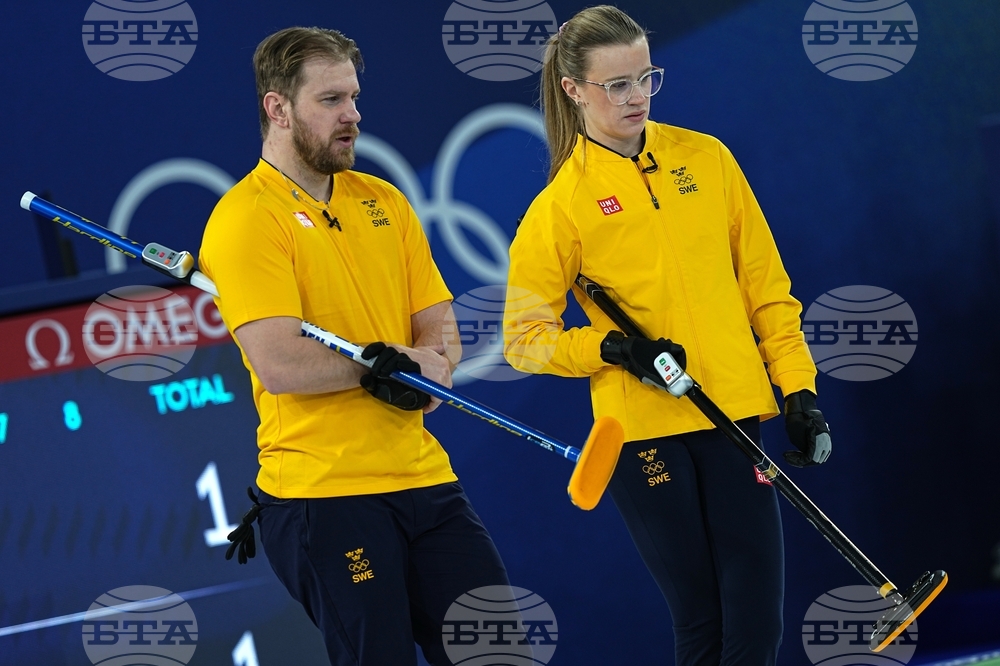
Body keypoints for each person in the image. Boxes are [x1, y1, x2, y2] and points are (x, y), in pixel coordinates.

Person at [503, 6, 832, 665]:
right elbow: (524, 338)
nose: (636, 98)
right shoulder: (561, 205)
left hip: (732, 410)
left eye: (646, 77)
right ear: (574, 91)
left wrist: (798, 389)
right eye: (616, 84)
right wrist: (613, 349)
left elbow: (767, 289)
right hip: (641, 428)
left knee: (755, 619)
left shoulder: (705, 159)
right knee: (702, 620)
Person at [199, 26, 509, 666]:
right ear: (277, 108)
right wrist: (376, 370)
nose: (354, 116)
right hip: (324, 496)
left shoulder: (384, 201)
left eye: (355, 98)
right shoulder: (244, 219)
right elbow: (279, 362)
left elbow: (439, 326)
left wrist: (425, 363)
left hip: (425, 479)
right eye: (332, 100)